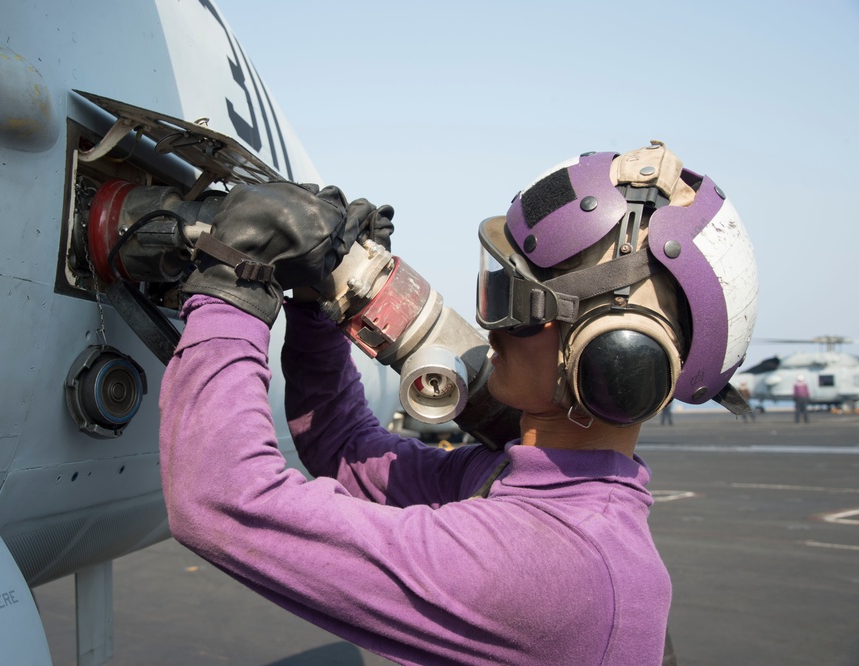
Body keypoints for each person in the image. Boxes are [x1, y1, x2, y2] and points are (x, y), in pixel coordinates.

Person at [159, 143, 758, 665]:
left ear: (611, 355)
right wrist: (317, 298)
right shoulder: (533, 489)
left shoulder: (548, 568)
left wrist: (232, 281)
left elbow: (218, 497)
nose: (489, 328)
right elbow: (343, 448)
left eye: (515, 303)